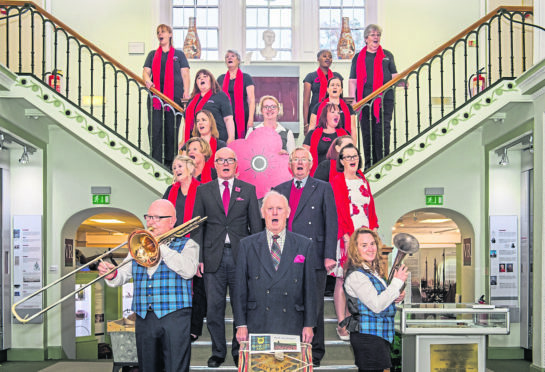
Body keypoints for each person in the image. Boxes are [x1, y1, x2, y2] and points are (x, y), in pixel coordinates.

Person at [98, 199, 199, 372]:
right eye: (149, 217)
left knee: (176, 367)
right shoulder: (137, 246)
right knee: (147, 367)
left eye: (157, 217)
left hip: (174, 316)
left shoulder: (188, 245)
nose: (151, 222)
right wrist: (112, 274)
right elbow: (122, 275)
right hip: (144, 318)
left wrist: (159, 246)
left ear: (172, 221)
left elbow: (188, 271)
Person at [192, 147, 263, 368]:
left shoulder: (249, 190)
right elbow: (198, 227)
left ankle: (237, 351)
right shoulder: (204, 191)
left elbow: (256, 228)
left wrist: (256, 258)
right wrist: (198, 257)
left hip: (241, 257)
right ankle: (218, 352)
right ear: (214, 165)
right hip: (213, 257)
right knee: (214, 308)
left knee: (240, 306)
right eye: (221, 160)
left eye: (229, 160)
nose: (225, 163)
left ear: (236, 165)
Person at [273, 148, 337, 367]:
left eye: (303, 160)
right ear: (290, 164)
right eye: (295, 160)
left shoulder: (323, 188)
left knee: (314, 306)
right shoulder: (279, 189)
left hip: (315, 255)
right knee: (288, 304)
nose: (299, 163)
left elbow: (331, 222)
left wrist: (329, 254)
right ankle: (289, 348)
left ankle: (315, 353)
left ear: (310, 164)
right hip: (286, 256)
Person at [233, 190, 316, 343]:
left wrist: (309, 324)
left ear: (288, 213)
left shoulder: (304, 245)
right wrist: (241, 324)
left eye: (279, 209)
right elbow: (239, 288)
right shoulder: (247, 245)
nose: (275, 213)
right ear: (263, 213)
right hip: (257, 323)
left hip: (292, 323)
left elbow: (310, 289)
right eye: (270, 209)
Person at [342, 227, 407, 372]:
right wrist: (396, 283)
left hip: (377, 335)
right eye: (364, 245)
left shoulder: (373, 272)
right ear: (355, 249)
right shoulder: (356, 275)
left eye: (372, 244)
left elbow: (383, 299)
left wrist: (397, 296)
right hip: (367, 337)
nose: (370, 249)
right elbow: (377, 305)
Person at [331, 144, 378, 341]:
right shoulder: (337, 180)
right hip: (347, 236)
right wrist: (346, 236)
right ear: (341, 160)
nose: (352, 159)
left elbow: (371, 208)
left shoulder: (363, 180)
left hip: (365, 236)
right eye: (347, 156)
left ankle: (355, 321)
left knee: (361, 279)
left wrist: (373, 231)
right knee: (343, 279)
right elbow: (338, 210)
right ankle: (342, 323)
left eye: (355, 156)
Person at [161, 155, 205, 342]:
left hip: (197, 245)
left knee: (199, 290)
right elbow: (162, 217)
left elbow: (206, 223)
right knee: (177, 288)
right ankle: (178, 326)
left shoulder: (202, 190)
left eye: (179, 166)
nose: (176, 170)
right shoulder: (170, 190)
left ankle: (194, 328)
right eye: (173, 168)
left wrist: (201, 257)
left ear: (190, 167)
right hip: (173, 247)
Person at [349, 24, 398, 168]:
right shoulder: (358, 57)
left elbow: (395, 76)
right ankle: (370, 166)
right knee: (367, 132)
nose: (376, 37)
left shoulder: (387, 55)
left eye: (378, 35)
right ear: (366, 39)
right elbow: (353, 81)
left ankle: (383, 162)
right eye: (373, 35)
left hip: (385, 100)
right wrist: (353, 102)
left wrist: (402, 82)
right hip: (365, 101)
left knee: (383, 131)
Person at [143, 24, 190, 168]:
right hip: (155, 98)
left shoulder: (179, 54)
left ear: (170, 34)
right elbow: (146, 71)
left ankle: (170, 162)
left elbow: (185, 74)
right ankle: (156, 159)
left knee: (172, 129)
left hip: (173, 99)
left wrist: (186, 93)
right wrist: (147, 79)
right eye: (158, 32)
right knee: (155, 128)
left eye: (162, 32)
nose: (159, 34)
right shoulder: (152, 54)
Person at [184, 69, 235, 144]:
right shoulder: (191, 100)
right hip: (196, 141)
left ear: (211, 80)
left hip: (218, 139)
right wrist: (183, 140)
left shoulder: (220, 95)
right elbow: (186, 122)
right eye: (199, 78)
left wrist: (231, 137)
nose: (202, 78)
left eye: (205, 76)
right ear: (196, 83)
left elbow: (228, 119)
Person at [217, 50, 255, 138]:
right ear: (226, 62)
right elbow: (217, 98)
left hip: (242, 117)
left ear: (238, 61)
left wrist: (250, 119)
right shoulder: (220, 79)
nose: (229, 58)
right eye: (227, 57)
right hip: (224, 117)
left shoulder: (246, 78)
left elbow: (251, 100)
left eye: (232, 56)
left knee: (241, 144)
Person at [303, 50, 343, 133]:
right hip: (315, 113)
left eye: (330, 57)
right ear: (318, 59)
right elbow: (306, 102)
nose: (328, 58)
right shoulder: (310, 76)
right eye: (324, 56)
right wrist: (306, 124)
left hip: (333, 113)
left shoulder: (337, 76)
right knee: (315, 140)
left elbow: (341, 98)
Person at [303, 102, 349, 176]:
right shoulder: (312, 134)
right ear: (325, 115)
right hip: (317, 176)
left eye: (338, 112)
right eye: (333, 112)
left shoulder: (345, 135)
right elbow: (304, 157)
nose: (336, 114)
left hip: (339, 176)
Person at [309, 76, 357, 142]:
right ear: (328, 90)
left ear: (341, 90)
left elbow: (353, 130)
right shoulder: (318, 107)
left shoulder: (348, 108)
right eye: (332, 85)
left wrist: (352, 147)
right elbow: (311, 129)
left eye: (338, 85)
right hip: (322, 144)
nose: (335, 87)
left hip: (343, 143)